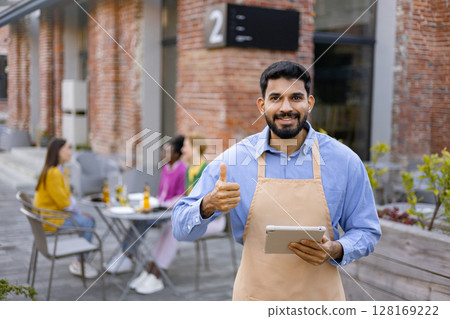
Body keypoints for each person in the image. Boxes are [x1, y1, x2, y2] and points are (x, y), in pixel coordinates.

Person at [172, 61, 381, 301]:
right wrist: (207, 204)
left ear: (309, 103)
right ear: (262, 105)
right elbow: (180, 228)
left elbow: (367, 230)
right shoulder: (234, 160)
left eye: (295, 97)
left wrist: (338, 249)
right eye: (275, 98)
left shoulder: (344, 161)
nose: (286, 107)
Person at [104, 136, 187, 294]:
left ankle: (131, 257)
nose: (164, 155)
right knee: (139, 222)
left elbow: (181, 195)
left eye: (168, 152)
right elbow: (163, 191)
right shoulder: (165, 168)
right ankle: (126, 255)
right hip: (160, 206)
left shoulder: (182, 170)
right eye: (163, 152)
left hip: (169, 211)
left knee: (143, 221)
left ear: (177, 154)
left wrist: (165, 203)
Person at [33, 138, 98, 278]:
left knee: (86, 219)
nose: (70, 152)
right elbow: (65, 203)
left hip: (53, 215)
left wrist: (79, 212)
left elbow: (67, 197)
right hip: (50, 219)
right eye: (68, 149)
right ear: (58, 152)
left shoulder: (60, 170)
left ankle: (80, 258)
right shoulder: (54, 173)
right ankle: (79, 263)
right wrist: (80, 213)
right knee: (88, 222)